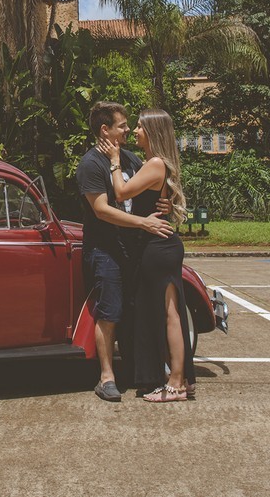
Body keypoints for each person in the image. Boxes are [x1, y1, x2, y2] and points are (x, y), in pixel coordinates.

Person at [76, 102, 174, 402]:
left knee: (136, 310)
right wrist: (142, 223)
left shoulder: (129, 159)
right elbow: (102, 210)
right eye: (122, 125)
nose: (128, 129)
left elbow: (152, 187)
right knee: (110, 311)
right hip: (105, 250)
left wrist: (165, 203)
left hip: (134, 247)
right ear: (105, 130)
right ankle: (106, 377)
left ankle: (137, 369)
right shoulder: (91, 164)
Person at [98, 108, 196, 402]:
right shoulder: (157, 163)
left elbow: (121, 194)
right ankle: (181, 381)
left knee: (169, 315)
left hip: (158, 246)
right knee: (167, 313)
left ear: (152, 133)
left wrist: (115, 163)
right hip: (159, 244)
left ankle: (176, 383)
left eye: (139, 127)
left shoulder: (154, 163)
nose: (135, 132)